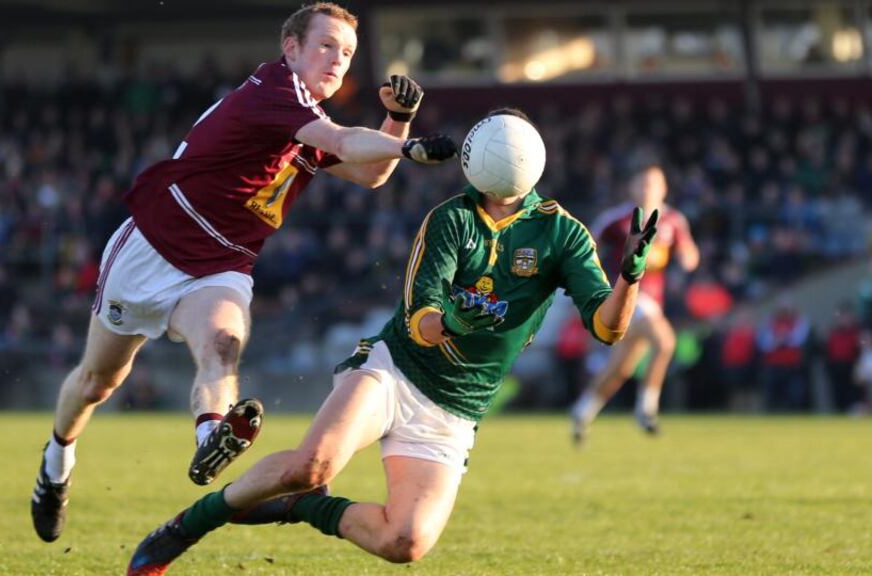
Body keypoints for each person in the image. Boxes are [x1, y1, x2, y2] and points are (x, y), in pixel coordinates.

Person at [124, 108, 658, 575]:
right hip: (394, 369)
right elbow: (422, 320)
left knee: (405, 542)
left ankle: (302, 508)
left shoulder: (562, 233)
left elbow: (607, 328)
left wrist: (629, 276)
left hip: (455, 409)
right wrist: (452, 323)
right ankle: (183, 529)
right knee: (313, 464)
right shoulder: (449, 221)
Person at [30, 2, 458, 544]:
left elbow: (370, 173)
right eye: (325, 45)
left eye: (347, 53)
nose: (336, 60)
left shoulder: (310, 117)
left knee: (223, 344)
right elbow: (351, 144)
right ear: (291, 48)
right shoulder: (274, 91)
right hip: (157, 244)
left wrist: (398, 121)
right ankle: (56, 461)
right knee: (98, 381)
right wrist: (410, 145)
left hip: (224, 261)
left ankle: (212, 436)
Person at [570, 162, 698, 443]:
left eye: (654, 183)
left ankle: (582, 411)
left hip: (653, 301)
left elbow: (689, 253)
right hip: (626, 297)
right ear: (632, 187)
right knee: (665, 342)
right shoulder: (616, 219)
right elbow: (584, 247)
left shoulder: (674, 221)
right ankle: (646, 410)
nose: (648, 189)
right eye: (643, 183)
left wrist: (687, 258)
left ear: (664, 188)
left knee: (621, 368)